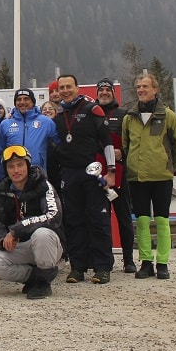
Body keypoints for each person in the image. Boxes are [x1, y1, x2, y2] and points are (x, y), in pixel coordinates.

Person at [122, 72, 176, 281]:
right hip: (137, 177)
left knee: (161, 220)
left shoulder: (168, 116)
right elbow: (125, 145)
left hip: (161, 176)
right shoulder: (129, 118)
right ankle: (146, 262)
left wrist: (169, 165)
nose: (141, 90)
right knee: (141, 220)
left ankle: (163, 263)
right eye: (139, 87)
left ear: (155, 90)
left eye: (145, 87)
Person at [52, 74, 116, 285]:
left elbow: (106, 141)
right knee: (73, 221)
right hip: (69, 174)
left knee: (98, 220)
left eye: (69, 86)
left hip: (92, 172)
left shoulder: (92, 110)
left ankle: (103, 267)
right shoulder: (59, 116)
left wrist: (111, 171)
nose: (65, 90)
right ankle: (78, 267)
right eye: (62, 87)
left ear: (77, 88)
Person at [0, 146, 65, 299]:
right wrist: (2, 240)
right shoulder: (3, 190)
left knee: (42, 234)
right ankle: (35, 277)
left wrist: (16, 230)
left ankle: (43, 282)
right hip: (21, 246)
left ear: (28, 166)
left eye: (20, 165)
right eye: (11, 166)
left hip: (48, 245)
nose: (16, 170)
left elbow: (54, 216)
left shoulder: (44, 185)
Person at [96, 78, 135, 274]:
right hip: (97, 175)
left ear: (113, 93)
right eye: (100, 90)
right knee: (100, 221)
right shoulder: (92, 113)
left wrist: (123, 152)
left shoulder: (123, 114)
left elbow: (132, 141)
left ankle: (128, 259)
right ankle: (104, 260)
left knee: (124, 218)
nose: (104, 93)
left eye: (107, 90)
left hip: (119, 173)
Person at [0, 88, 59, 182]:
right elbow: (0, 152)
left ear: (33, 102)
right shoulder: (6, 124)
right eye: (19, 99)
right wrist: (1, 178)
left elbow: (60, 144)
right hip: (14, 175)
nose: (22, 102)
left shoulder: (46, 122)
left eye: (26, 99)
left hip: (38, 175)